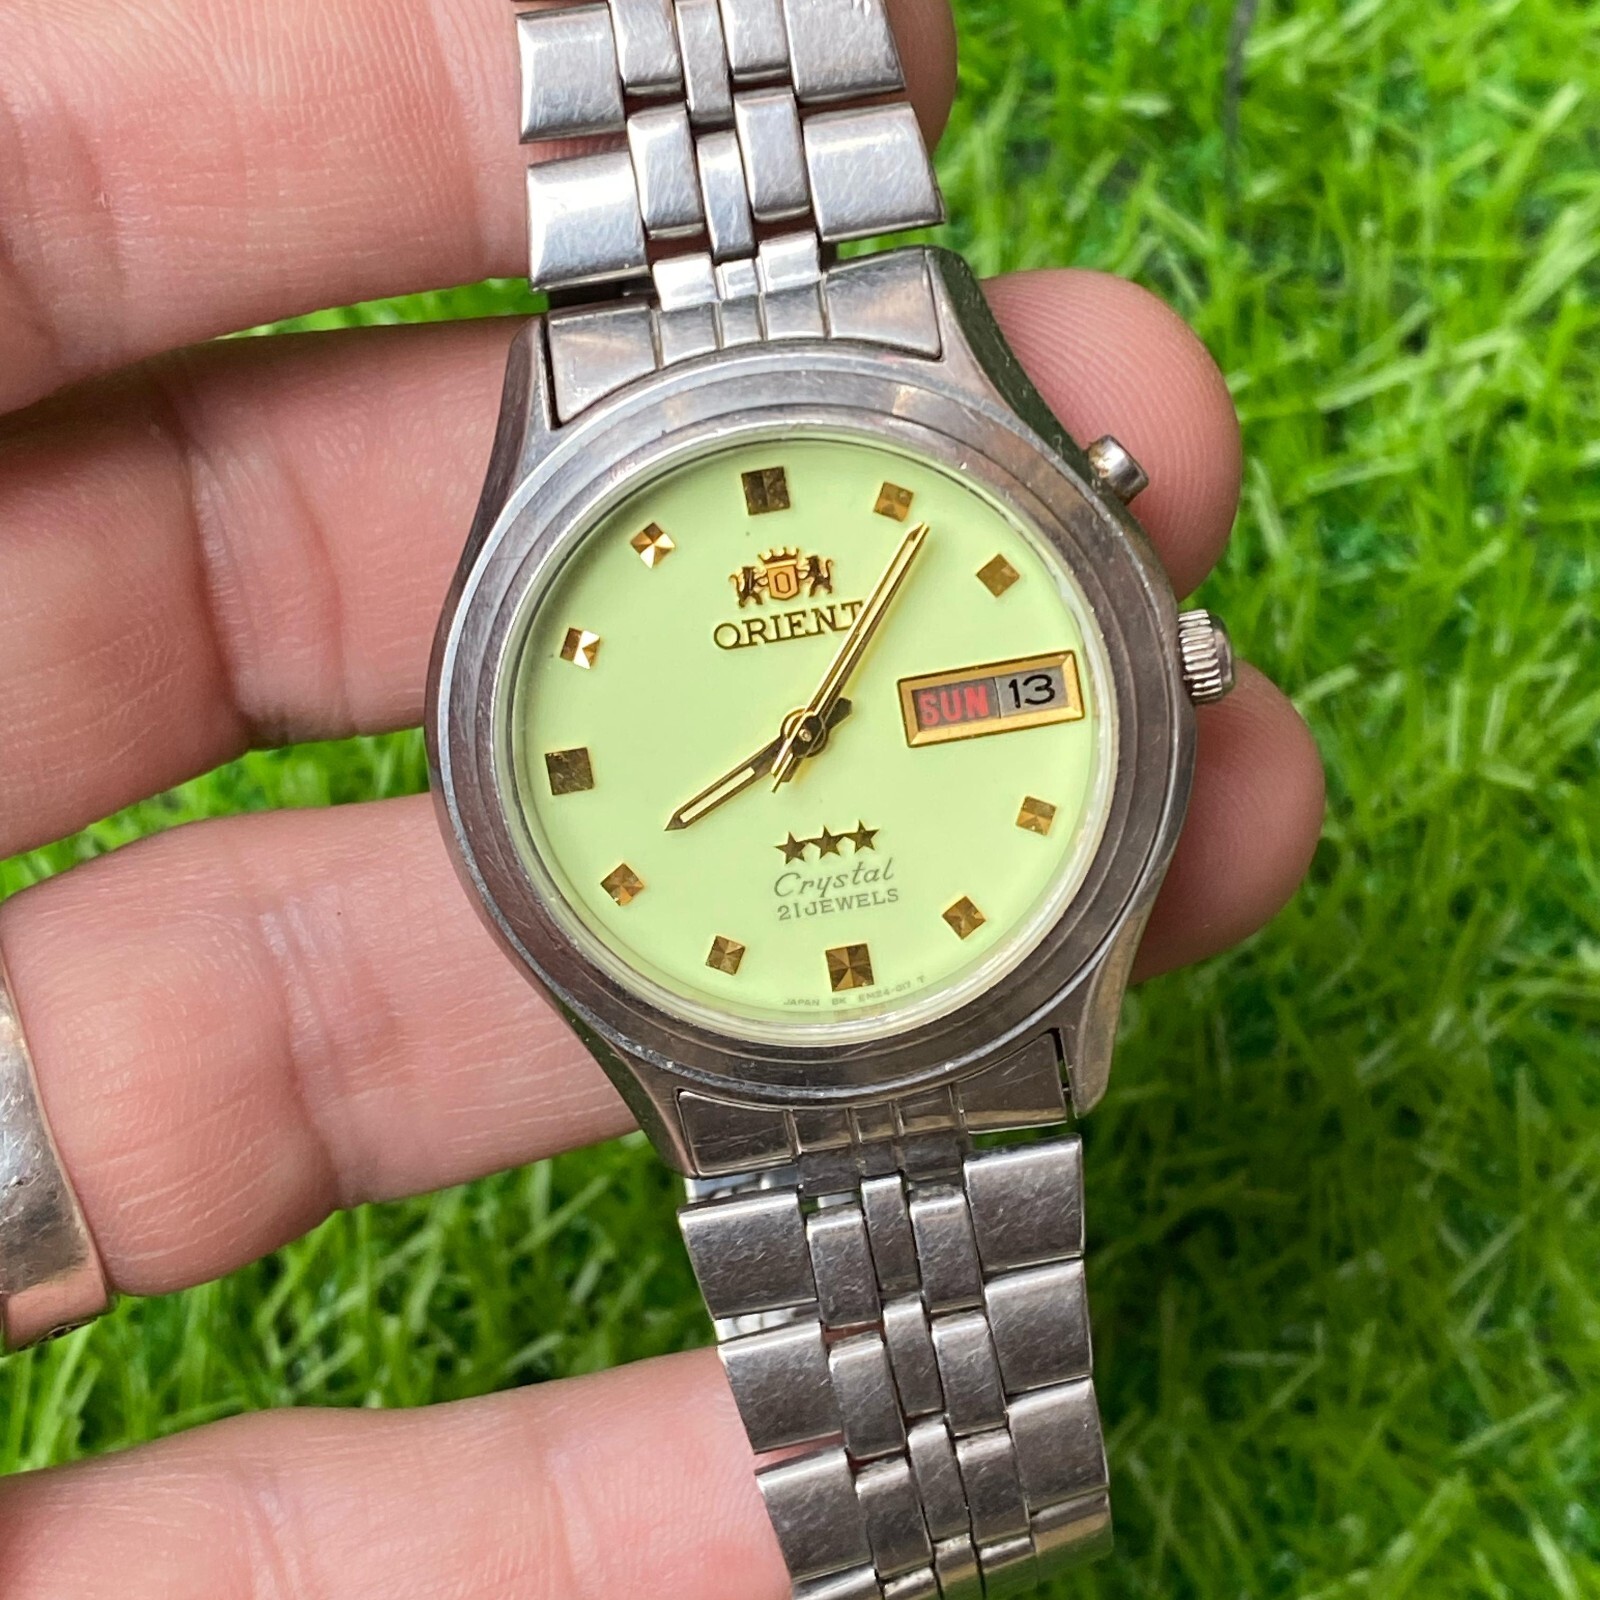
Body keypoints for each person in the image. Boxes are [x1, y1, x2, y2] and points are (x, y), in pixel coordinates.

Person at [0, 1, 1325, 1594]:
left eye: (805, 736)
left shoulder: (899, 365)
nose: (802, 751)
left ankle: (974, 1509)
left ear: (1162, 659)